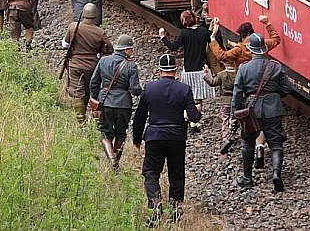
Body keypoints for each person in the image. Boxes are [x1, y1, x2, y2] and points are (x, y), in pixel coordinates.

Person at [133, 53, 201, 227]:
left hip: (154, 135)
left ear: (159, 70)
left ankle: (155, 204)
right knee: (176, 173)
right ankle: (175, 211)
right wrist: (198, 109)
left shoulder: (149, 88)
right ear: (175, 70)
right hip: (176, 136)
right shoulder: (184, 89)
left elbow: (140, 116)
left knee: (151, 171)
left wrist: (137, 138)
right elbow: (194, 116)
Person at [210, 14, 281, 166]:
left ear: (242, 35)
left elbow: (223, 56)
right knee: (262, 119)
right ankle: (260, 146)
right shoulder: (264, 45)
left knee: (250, 118)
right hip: (264, 86)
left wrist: (213, 39)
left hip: (247, 89)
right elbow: (276, 39)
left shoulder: (239, 48)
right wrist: (267, 23)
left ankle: (247, 145)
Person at [231, 33, 293, 192]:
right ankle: (276, 174)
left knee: (248, 142)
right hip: (274, 110)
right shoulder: (275, 66)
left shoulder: (244, 68)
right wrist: (274, 97)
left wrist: (234, 114)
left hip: (251, 111)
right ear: (264, 49)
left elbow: (237, 93)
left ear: (250, 50)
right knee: (276, 143)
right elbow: (287, 89)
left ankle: (247, 178)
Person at [90, 34, 141, 170]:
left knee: (105, 133)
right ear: (126, 50)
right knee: (121, 134)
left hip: (105, 102)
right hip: (123, 104)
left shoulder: (103, 61)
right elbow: (135, 89)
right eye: (131, 49)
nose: (132, 52)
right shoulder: (131, 66)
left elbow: (94, 82)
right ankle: (115, 164)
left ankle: (111, 160)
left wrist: (95, 99)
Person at [158, 10, 213, 133]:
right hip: (202, 68)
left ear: (184, 21)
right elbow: (215, 39)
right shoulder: (204, 32)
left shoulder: (184, 34)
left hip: (189, 69)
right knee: (198, 98)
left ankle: (186, 118)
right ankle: (195, 122)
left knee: (188, 96)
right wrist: (215, 29)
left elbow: (173, 47)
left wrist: (163, 37)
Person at [61, 3, 113, 123]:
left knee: (77, 92)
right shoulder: (100, 32)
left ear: (83, 14)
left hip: (74, 64)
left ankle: (80, 120)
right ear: (95, 16)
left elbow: (65, 44)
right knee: (87, 91)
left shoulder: (73, 26)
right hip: (92, 66)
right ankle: (84, 115)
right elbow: (110, 49)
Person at [203, 58, 237, 144]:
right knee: (235, 118)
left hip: (225, 101)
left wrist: (206, 74)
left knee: (225, 118)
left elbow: (212, 83)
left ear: (224, 64)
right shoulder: (238, 73)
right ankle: (233, 135)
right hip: (236, 100)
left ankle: (226, 137)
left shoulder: (221, 74)